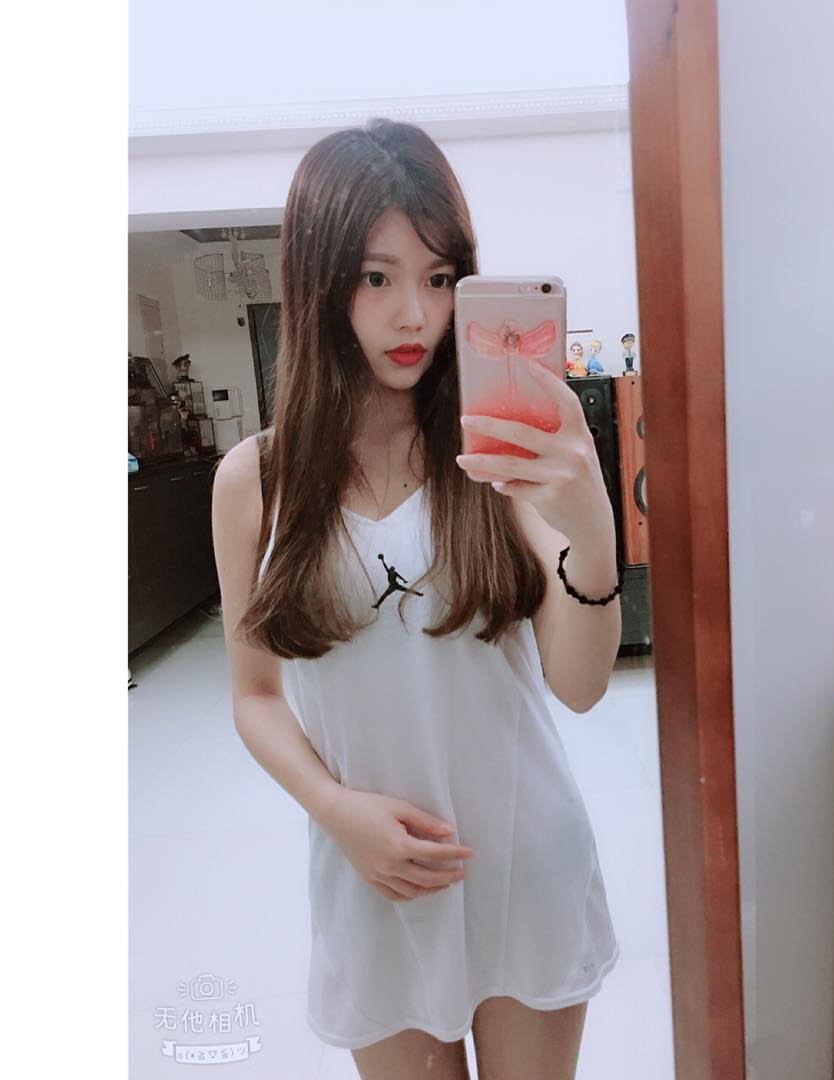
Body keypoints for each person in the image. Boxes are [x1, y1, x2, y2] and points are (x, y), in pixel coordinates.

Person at [211, 120, 623, 1080]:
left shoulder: (492, 454)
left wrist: (595, 532)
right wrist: (333, 808)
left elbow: (579, 686)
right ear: (319, 283)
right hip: (374, 880)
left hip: (523, 861)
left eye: (440, 279)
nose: (415, 315)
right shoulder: (256, 481)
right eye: (376, 276)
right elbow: (254, 695)